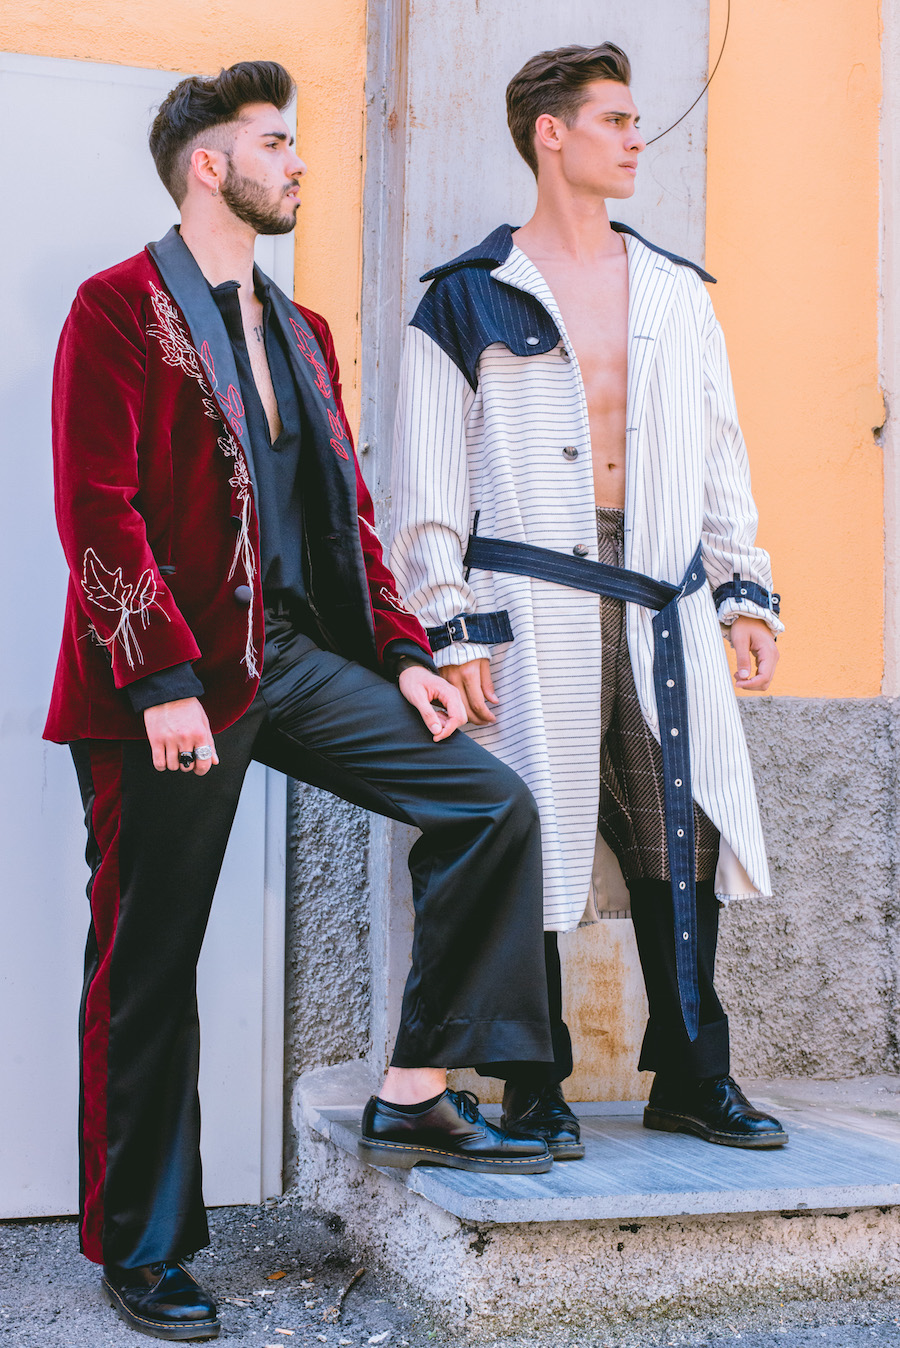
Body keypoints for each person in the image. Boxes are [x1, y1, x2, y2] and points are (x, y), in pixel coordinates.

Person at [45, 60, 554, 1343]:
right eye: (277, 142)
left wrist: (404, 653)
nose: (300, 162)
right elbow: (98, 508)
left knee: (489, 804)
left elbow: (348, 521)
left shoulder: (304, 329)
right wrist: (158, 678)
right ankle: (142, 1249)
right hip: (169, 683)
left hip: (290, 658)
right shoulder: (117, 308)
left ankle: (414, 1086)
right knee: (148, 956)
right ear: (210, 164)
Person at [389, 43, 788, 1166]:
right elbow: (426, 478)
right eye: (614, 119)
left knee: (681, 827)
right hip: (530, 596)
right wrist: (449, 622)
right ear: (550, 133)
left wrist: (745, 590)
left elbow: (718, 448)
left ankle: (694, 1076)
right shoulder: (467, 296)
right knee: (535, 832)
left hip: (664, 592)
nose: (635, 137)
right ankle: (534, 1084)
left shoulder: (674, 291)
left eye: (636, 119)